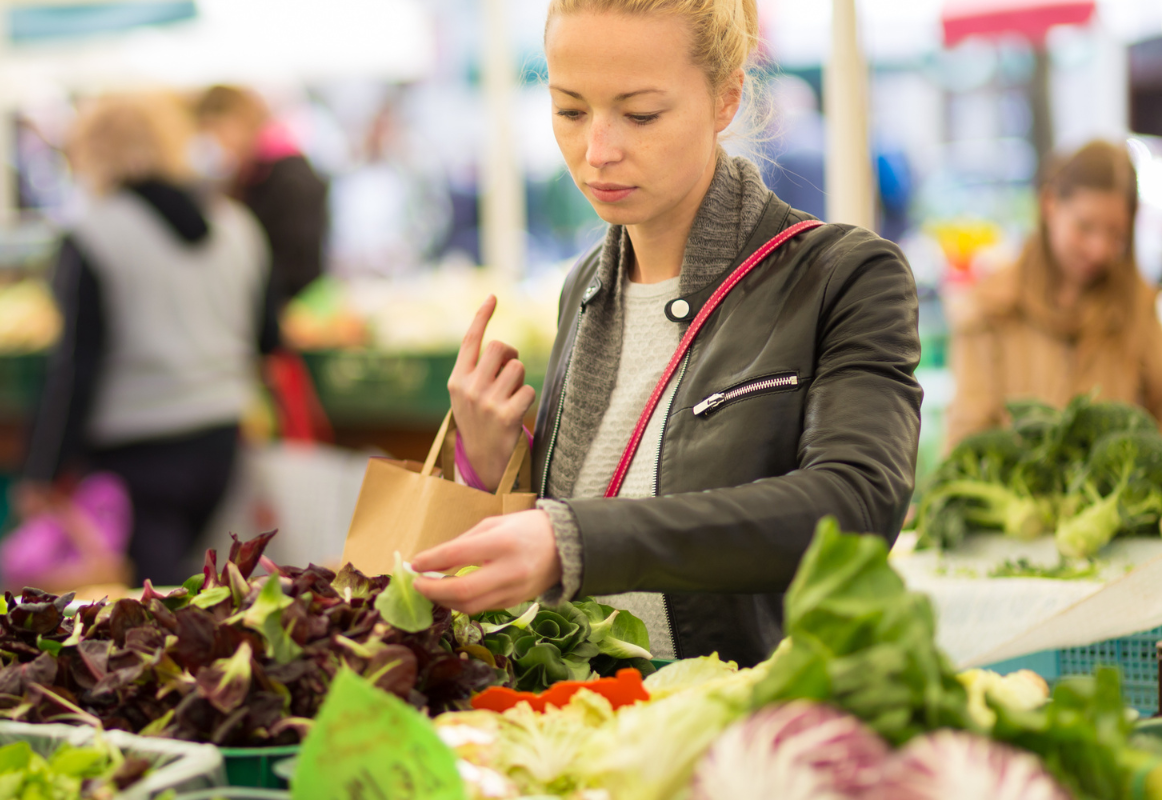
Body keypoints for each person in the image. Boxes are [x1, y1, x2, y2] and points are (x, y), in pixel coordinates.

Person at [409, 0, 921, 667]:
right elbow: (581, 518)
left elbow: (855, 504)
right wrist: (490, 459)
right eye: (570, 111)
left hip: (748, 727)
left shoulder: (842, 276)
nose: (598, 151)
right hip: (584, 724)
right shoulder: (587, 286)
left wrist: (576, 543)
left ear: (726, 99)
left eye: (641, 114)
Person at [18, 93, 279, 586]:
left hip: (134, 457)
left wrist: (43, 471)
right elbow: (268, 339)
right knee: (207, 596)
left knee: (146, 613)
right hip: (224, 442)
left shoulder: (93, 234)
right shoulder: (238, 226)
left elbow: (76, 366)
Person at [946, 140, 1162, 447]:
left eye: (1116, 234)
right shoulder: (990, 307)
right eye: (1085, 227)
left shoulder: (1138, 305)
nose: (1099, 249)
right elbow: (966, 439)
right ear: (1049, 204)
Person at [195, 86, 328, 304]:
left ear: (240, 121)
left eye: (216, 130)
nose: (215, 143)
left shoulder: (286, 177)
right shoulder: (250, 174)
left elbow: (297, 264)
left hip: (291, 308)